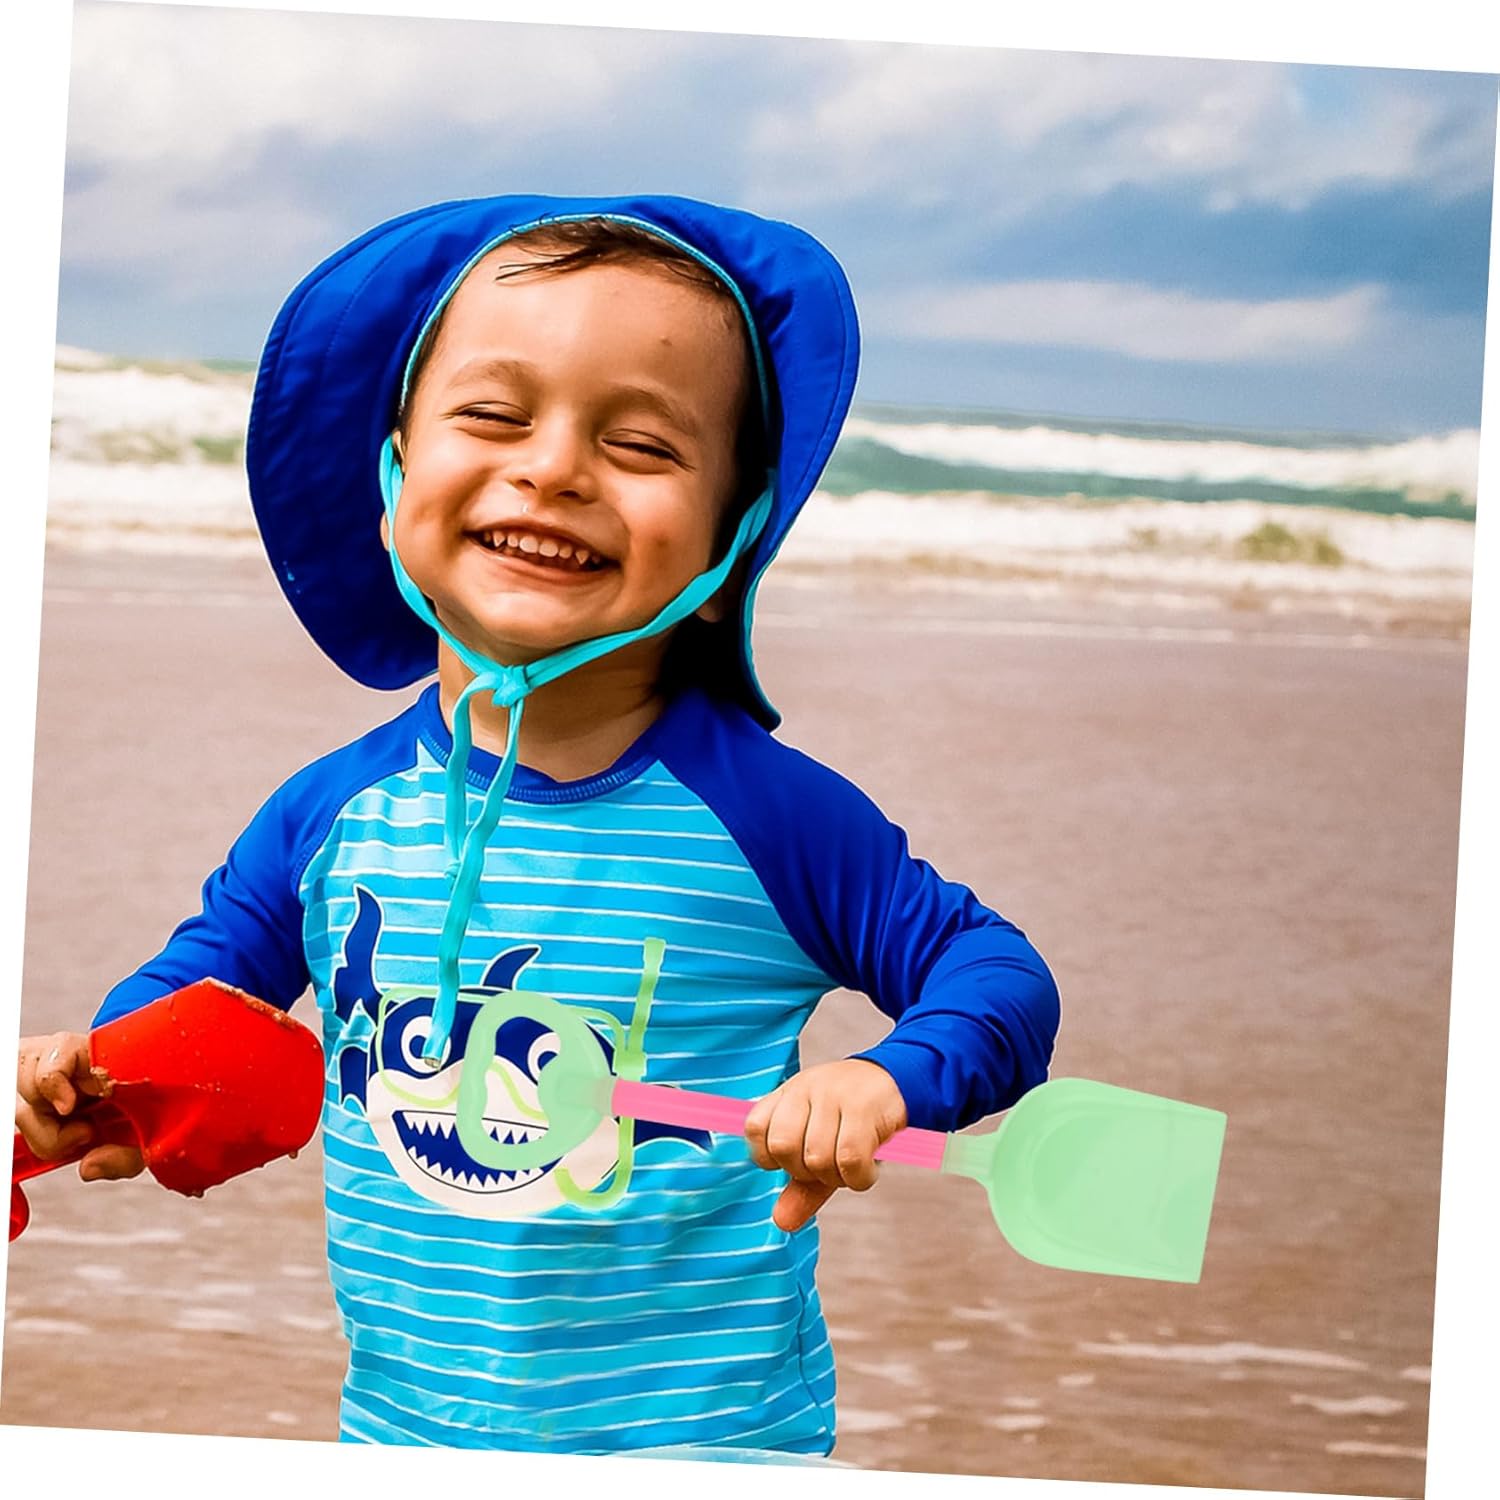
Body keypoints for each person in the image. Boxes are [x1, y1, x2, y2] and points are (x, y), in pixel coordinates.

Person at [14, 194, 1060, 1457]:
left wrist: (888, 1079)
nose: (555, 469)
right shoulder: (330, 816)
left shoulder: (771, 818)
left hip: (706, 1443)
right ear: (394, 476)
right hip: (403, 1432)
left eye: (643, 444)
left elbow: (996, 974)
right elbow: (198, 997)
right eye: (494, 417)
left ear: (731, 538)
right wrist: (102, 1078)